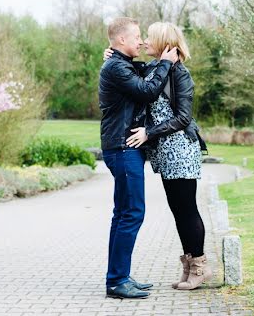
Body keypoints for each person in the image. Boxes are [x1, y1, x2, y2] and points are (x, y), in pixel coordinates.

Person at [107, 21, 212, 291]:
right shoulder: (154, 67)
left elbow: (183, 117)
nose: (143, 43)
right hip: (165, 152)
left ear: (164, 42)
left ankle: (200, 267)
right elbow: (129, 75)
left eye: (149, 38)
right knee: (178, 211)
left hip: (180, 148)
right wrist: (110, 54)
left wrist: (149, 132)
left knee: (187, 210)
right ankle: (189, 267)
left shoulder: (180, 73)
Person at [98, 16, 178, 300]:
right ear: (121, 40)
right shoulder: (116, 67)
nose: (141, 41)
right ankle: (117, 281)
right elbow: (146, 90)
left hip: (122, 146)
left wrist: (162, 61)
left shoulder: (119, 64)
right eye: (137, 37)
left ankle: (118, 277)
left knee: (122, 215)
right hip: (123, 147)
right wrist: (167, 63)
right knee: (131, 213)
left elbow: (141, 74)